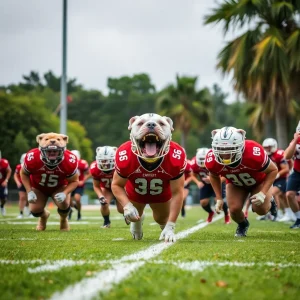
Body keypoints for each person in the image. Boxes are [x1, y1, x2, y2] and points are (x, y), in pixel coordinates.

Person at [111, 113, 186, 242]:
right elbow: (116, 185)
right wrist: (127, 205)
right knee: (127, 211)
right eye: (140, 124)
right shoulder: (125, 154)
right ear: (132, 130)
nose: (151, 125)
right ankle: (137, 222)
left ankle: (164, 227)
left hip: (161, 194)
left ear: (170, 131)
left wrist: (170, 225)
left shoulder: (175, 156)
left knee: (161, 219)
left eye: (161, 124)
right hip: (135, 191)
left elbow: (178, 192)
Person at [205, 126, 278, 237]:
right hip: (236, 184)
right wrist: (219, 198)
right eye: (221, 149)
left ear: (240, 146)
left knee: (261, 210)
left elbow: (273, 170)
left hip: (259, 182)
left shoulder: (253, 152)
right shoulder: (212, 159)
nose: (225, 153)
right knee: (233, 210)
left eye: (229, 149)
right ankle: (243, 224)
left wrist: (263, 193)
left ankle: (270, 200)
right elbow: (213, 175)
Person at [20, 132, 78, 231]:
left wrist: (65, 193)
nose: (51, 153)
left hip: (59, 187)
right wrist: (29, 191)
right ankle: (44, 216)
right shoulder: (33, 156)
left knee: (64, 204)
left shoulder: (70, 159)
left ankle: (64, 220)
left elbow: (75, 181)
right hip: (39, 187)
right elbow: (23, 173)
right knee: (35, 211)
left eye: (55, 152)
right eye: (49, 151)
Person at [190, 147, 230, 224]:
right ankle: (211, 213)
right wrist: (198, 182)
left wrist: (214, 180)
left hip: (218, 182)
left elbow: (226, 175)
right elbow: (193, 174)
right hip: (205, 184)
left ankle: (226, 215)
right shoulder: (195, 163)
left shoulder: (216, 160)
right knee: (203, 202)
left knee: (218, 200)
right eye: (200, 159)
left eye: (203, 159)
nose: (202, 163)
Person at [90, 146, 125, 228]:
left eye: (108, 160)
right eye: (102, 160)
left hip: (120, 187)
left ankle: (127, 214)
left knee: (121, 209)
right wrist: (100, 196)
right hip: (107, 189)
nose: (105, 163)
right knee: (104, 204)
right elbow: (96, 186)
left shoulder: (120, 166)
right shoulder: (95, 168)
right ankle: (106, 222)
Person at [257, 138, 289, 221]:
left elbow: (286, 169)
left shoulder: (279, 154)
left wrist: (277, 174)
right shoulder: (265, 155)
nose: (267, 149)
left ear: (274, 146)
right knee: (281, 196)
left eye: (269, 147)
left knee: (273, 193)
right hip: (272, 179)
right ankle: (273, 214)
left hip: (281, 179)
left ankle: (277, 214)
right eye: (266, 147)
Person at [284, 121, 300, 229]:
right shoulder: (297, 141)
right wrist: (294, 141)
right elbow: (287, 156)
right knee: (289, 194)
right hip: (297, 172)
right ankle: (299, 219)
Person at [68, 150, 90, 221]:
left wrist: (83, 181)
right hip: (70, 184)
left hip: (79, 184)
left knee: (77, 199)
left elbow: (88, 173)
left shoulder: (82, 163)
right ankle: (71, 210)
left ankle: (79, 213)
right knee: (68, 200)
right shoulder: (67, 162)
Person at [14, 153, 31, 218]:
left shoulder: (31, 166)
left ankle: (29, 212)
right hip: (22, 184)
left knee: (29, 198)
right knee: (22, 198)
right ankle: (21, 213)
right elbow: (15, 175)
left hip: (30, 184)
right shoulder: (19, 167)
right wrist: (18, 182)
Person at [0, 150, 12, 216]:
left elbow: (9, 171)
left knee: (3, 198)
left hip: (2, 183)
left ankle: (2, 206)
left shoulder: (4, 162)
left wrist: (6, 180)